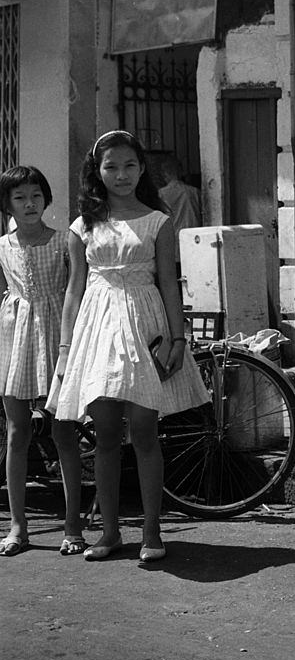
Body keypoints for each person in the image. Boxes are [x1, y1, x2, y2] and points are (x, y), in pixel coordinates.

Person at [49, 130, 209, 563]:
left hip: (145, 326)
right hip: (96, 329)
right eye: (111, 167)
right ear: (97, 173)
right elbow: (73, 292)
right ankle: (110, 533)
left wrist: (178, 339)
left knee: (143, 432)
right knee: (104, 436)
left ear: (142, 169)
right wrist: (65, 351)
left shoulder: (158, 221)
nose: (121, 175)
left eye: (130, 166)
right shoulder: (82, 226)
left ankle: (152, 531)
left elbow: (169, 283)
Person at [0, 166, 83, 556]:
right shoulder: (3, 246)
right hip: (16, 339)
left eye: (36, 195)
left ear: (46, 199)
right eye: (20, 198)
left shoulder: (64, 240)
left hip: (57, 336)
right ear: (7, 205)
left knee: (63, 433)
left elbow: (75, 292)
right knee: (17, 433)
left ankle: (73, 525)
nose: (29, 203)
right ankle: (19, 526)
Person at [155, 153, 202, 269]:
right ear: (181, 172)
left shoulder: (161, 194)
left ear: (165, 174)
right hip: (195, 241)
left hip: (173, 243)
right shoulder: (194, 192)